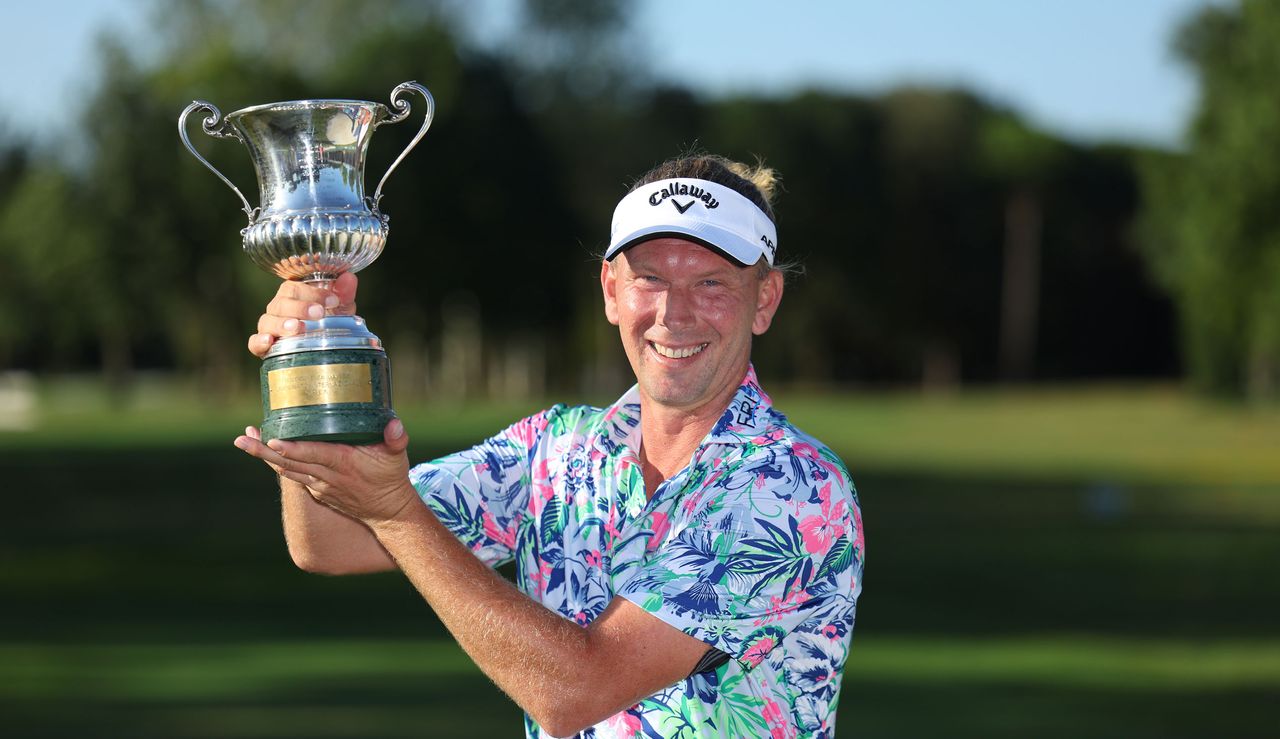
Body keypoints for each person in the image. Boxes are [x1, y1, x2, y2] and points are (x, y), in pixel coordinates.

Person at [234, 154, 864, 739]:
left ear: (766, 300)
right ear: (612, 293)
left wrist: (396, 511)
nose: (674, 314)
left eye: (710, 283)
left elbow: (575, 690)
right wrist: (306, 370)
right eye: (648, 279)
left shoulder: (794, 486)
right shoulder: (554, 449)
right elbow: (331, 542)